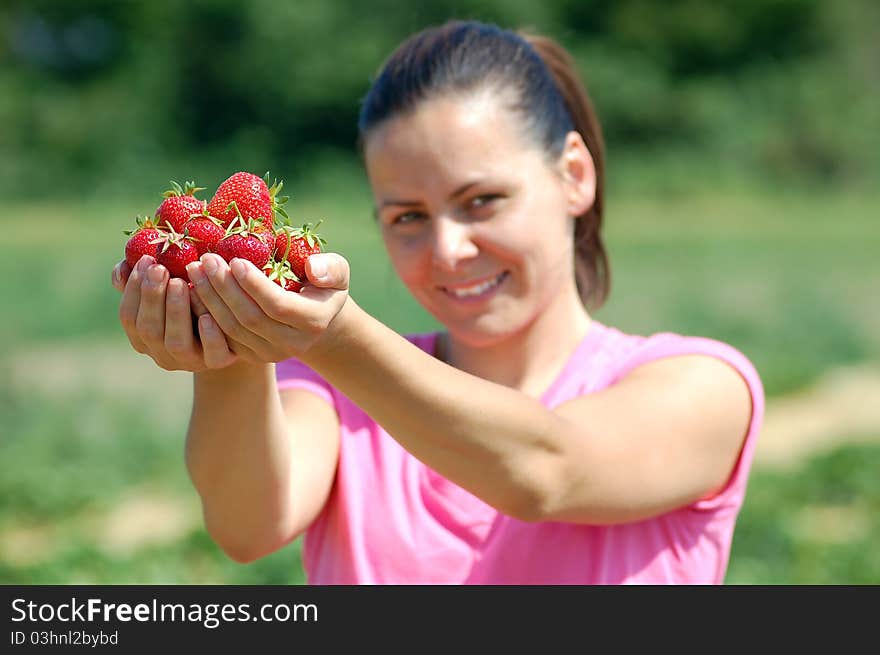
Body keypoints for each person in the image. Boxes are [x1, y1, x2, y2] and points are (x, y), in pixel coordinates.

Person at [111, 20, 763, 584]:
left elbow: (545, 470)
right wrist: (226, 340)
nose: (448, 249)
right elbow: (246, 524)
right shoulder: (332, 400)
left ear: (575, 175)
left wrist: (333, 334)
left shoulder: (705, 386)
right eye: (407, 216)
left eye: (482, 201)